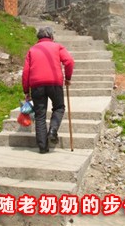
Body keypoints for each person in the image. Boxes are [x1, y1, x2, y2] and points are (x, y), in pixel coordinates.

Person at [22, 26, 74, 154]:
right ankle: (53, 130)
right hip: (55, 83)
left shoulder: (32, 50)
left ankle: (43, 147)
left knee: (40, 115)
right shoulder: (57, 47)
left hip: (36, 85)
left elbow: (26, 72)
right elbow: (69, 61)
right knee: (59, 108)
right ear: (51, 36)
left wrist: (26, 91)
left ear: (38, 37)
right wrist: (68, 78)